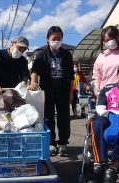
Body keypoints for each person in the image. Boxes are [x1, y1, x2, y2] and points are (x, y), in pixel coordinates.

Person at [29, 26, 74, 157]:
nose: (56, 41)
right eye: (54, 38)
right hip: (47, 91)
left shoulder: (66, 55)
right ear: (47, 39)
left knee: (64, 118)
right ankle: (51, 143)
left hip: (63, 91)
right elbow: (35, 71)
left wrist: (71, 93)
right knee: (48, 118)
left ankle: (63, 143)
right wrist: (33, 83)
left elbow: (71, 75)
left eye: (59, 38)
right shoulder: (41, 54)